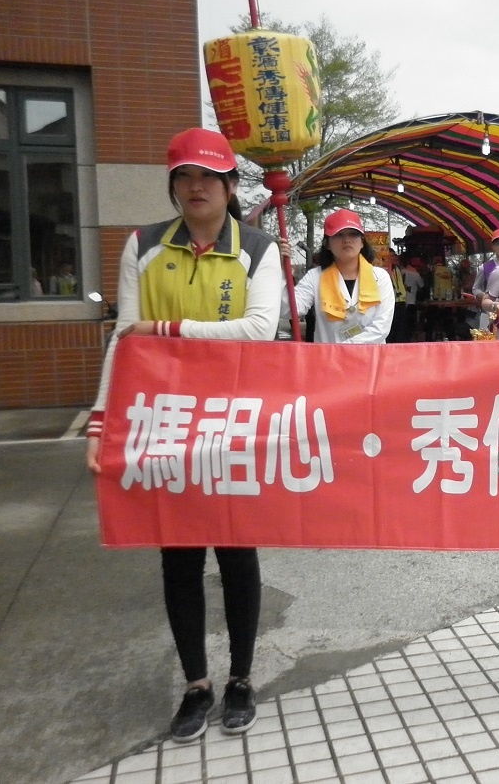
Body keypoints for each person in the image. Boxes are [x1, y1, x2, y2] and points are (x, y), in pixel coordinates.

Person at [84, 127, 283, 741]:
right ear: (173, 186)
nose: (196, 187)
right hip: (164, 422)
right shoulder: (142, 246)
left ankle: (241, 679)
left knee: (237, 551)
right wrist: (100, 420)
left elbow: (258, 330)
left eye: (209, 176)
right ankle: (196, 685)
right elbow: (125, 338)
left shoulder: (257, 248)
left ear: (229, 186)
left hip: (233, 421)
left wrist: (168, 328)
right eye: (184, 177)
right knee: (179, 556)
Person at [280, 209, 395, 344]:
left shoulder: (381, 277)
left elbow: (381, 327)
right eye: (339, 235)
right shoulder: (315, 277)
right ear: (327, 244)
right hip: (329, 362)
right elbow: (287, 310)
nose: (347, 240)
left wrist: (343, 349)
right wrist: (281, 269)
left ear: (362, 242)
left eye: (353, 234)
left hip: (370, 361)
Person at [472, 228, 499, 332]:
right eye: (498, 244)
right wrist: (487, 297)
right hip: (488, 313)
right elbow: (475, 288)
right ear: (493, 246)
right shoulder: (484, 268)